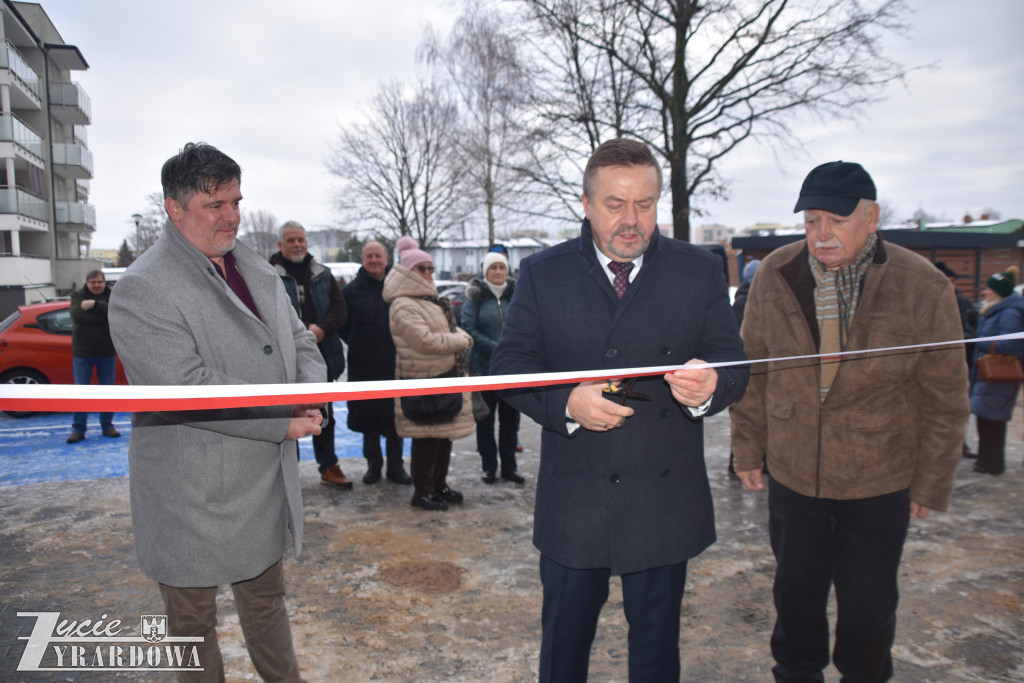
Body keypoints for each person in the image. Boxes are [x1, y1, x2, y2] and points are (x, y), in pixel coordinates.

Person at [490, 138, 749, 682]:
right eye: (615, 205)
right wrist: (565, 403)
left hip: (662, 496)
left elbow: (734, 363)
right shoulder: (543, 272)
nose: (631, 221)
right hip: (576, 498)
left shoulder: (697, 269)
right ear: (586, 204)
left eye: (645, 204)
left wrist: (708, 388)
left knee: (656, 657)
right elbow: (507, 368)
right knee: (563, 652)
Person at [729, 161, 970, 682]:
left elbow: (945, 394)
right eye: (812, 221)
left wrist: (932, 479)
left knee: (869, 606)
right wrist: (748, 450)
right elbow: (753, 370)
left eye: (836, 220)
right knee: (795, 597)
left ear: (872, 217)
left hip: (879, 479)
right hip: (795, 475)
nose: (822, 234)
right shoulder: (776, 272)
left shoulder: (921, 286)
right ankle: (796, 672)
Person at [109, 142, 326, 682]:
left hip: (260, 485)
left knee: (267, 607)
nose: (232, 216)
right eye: (216, 205)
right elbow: (182, 387)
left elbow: (300, 340)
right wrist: (282, 418)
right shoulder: (143, 286)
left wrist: (310, 392)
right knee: (192, 628)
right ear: (173, 208)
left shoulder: (255, 267)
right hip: (192, 494)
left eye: (236, 201)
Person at [382, 244, 475, 511]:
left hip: (443, 378)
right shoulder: (403, 303)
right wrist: (462, 340)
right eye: (421, 268)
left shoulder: (426, 300)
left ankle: (439, 485)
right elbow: (424, 341)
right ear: (407, 271)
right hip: (423, 381)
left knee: (443, 436)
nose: (427, 273)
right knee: (426, 438)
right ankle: (422, 490)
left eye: (430, 268)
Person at [270, 220, 352, 490]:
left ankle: (328, 465)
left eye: (301, 240)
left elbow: (340, 310)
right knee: (285, 415)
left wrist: (321, 331)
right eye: (291, 240)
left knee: (324, 415)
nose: (297, 245)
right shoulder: (268, 275)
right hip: (283, 359)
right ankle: (286, 472)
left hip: (323, 355)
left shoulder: (323, 273)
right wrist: (300, 334)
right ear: (281, 244)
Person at [340, 241, 411, 485]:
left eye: (378, 256)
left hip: (394, 366)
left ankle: (396, 467)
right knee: (369, 422)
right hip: (364, 367)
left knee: (395, 421)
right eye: (369, 256)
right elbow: (343, 327)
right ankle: (373, 466)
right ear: (363, 259)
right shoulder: (350, 292)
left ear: (386, 258)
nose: (374, 260)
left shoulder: (399, 288)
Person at [461, 250, 524, 485]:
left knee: (510, 422)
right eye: (493, 268)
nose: (498, 272)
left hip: (510, 373)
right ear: (486, 272)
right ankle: (489, 467)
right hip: (480, 371)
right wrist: (499, 349)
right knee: (484, 420)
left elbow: (524, 326)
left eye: (502, 268)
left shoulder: (516, 296)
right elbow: (469, 328)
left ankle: (509, 468)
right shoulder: (475, 297)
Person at [969, 267, 1024, 475]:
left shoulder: (1010, 312)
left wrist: (981, 341)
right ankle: (986, 461)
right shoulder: (996, 309)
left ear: (998, 291)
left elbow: (1011, 344)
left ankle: (991, 464)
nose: (985, 292)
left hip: (999, 375)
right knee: (985, 419)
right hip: (987, 374)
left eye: (989, 289)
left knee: (992, 420)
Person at [67, 270, 121, 443]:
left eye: (99, 282)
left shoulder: (113, 295)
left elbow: (115, 313)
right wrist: (102, 314)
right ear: (87, 283)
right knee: (81, 392)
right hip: (83, 352)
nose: (96, 285)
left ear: (104, 282)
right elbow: (77, 315)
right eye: (93, 282)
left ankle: (107, 426)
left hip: (106, 352)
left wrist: (94, 306)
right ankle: (79, 429)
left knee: (107, 392)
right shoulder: (77, 295)